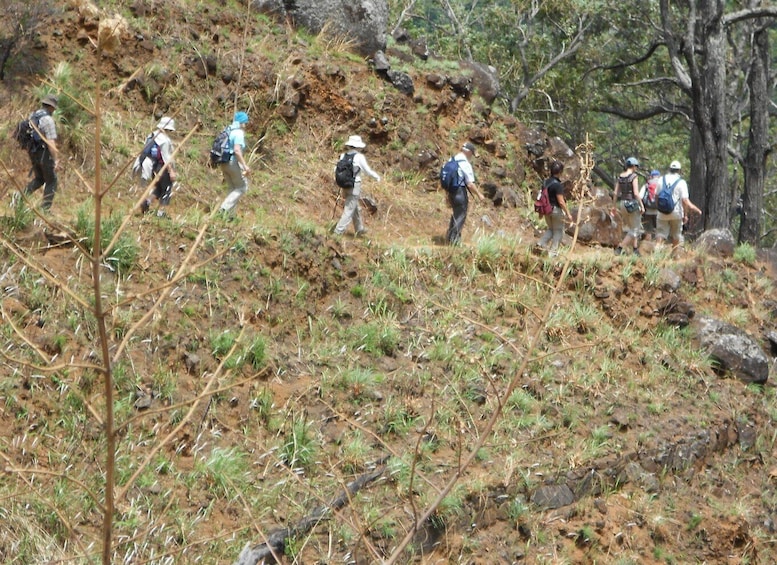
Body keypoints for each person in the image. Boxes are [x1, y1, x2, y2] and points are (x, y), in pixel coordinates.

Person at [333, 134, 381, 236]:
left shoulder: (343, 156)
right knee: (349, 210)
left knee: (354, 206)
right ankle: (338, 232)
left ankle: (359, 229)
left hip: (344, 185)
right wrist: (376, 177)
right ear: (358, 146)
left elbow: (336, 169)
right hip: (354, 186)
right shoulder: (359, 157)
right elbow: (367, 171)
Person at [24, 94, 60, 211]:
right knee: (52, 180)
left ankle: (19, 197)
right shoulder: (48, 120)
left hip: (32, 152)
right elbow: (50, 142)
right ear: (51, 107)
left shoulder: (33, 115)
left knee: (40, 178)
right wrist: (55, 160)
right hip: (44, 154)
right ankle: (45, 210)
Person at [655, 160, 702, 251]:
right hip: (676, 213)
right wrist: (687, 214)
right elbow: (685, 201)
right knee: (676, 235)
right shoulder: (681, 182)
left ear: (670, 169)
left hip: (662, 213)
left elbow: (656, 196)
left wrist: (659, 208)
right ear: (679, 170)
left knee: (660, 234)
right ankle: (674, 254)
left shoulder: (661, 179)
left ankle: (656, 255)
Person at [445, 141, 484, 245]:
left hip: (451, 192)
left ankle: (449, 237)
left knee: (456, 213)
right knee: (461, 214)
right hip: (460, 192)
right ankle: (454, 241)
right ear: (468, 152)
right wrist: (479, 194)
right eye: (472, 154)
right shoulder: (465, 163)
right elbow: (470, 184)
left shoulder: (451, 160)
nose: (471, 156)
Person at [137, 116, 177, 218]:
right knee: (166, 189)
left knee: (159, 188)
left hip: (153, 167)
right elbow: (166, 157)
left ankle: (147, 201)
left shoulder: (152, 135)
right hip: (163, 168)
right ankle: (160, 213)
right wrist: (171, 171)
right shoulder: (164, 140)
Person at [535, 160, 573, 256]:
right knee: (558, 231)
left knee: (551, 229)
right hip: (556, 211)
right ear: (560, 172)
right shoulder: (558, 185)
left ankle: (541, 243)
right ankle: (553, 253)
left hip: (547, 210)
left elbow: (542, 197)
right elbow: (561, 201)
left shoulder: (545, 182)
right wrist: (568, 213)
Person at [218, 111, 251, 217]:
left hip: (223, 162)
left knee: (232, 188)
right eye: (245, 122)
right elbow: (237, 150)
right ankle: (224, 208)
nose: (245, 125)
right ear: (241, 122)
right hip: (232, 162)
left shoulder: (228, 130)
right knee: (242, 187)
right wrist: (245, 165)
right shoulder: (238, 133)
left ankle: (230, 216)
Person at [612, 156, 644, 255]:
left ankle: (635, 249)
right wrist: (642, 205)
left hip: (622, 204)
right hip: (632, 204)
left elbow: (615, 193)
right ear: (633, 166)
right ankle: (620, 248)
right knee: (635, 229)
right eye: (636, 167)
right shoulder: (633, 177)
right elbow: (636, 193)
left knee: (632, 227)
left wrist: (614, 206)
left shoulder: (620, 176)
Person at [639, 169, 661, 241]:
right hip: (659, 211)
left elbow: (640, 197)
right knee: (659, 231)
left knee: (648, 230)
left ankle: (648, 247)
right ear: (659, 176)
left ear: (651, 176)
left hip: (648, 211)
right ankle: (658, 248)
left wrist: (641, 207)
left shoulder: (646, 185)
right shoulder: (662, 184)